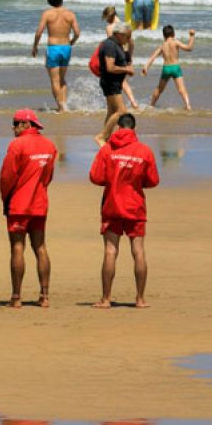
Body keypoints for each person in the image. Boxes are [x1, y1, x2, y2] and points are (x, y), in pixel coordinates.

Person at [89, 113, 159, 308]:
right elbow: (153, 180)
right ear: (134, 129)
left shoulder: (107, 150)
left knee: (110, 251)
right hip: (135, 207)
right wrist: (136, 182)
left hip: (112, 205)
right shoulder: (144, 151)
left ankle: (106, 298)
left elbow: (95, 177)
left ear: (119, 128)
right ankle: (140, 299)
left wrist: (111, 179)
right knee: (138, 251)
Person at [0, 109, 57, 308]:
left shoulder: (17, 145)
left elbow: (7, 177)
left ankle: (16, 297)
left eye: (16, 123)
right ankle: (45, 295)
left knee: (17, 247)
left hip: (18, 204)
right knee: (40, 247)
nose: (13, 127)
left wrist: (5, 199)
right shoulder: (49, 146)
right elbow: (48, 176)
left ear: (26, 124)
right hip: (39, 203)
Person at [30, 0, 81, 112]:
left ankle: (61, 107)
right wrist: (72, 42)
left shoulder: (47, 14)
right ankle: (64, 105)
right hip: (66, 48)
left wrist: (35, 46)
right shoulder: (70, 14)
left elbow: (38, 32)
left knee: (54, 80)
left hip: (53, 48)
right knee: (62, 79)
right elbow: (77, 32)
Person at [95, 21, 135, 146]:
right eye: (127, 36)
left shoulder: (118, 45)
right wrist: (126, 70)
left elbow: (126, 59)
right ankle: (101, 136)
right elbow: (110, 67)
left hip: (115, 83)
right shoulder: (110, 45)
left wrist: (130, 46)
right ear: (119, 34)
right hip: (110, 82)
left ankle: (106, 138)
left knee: (112, 111)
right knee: (121, 112)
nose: (128, 39)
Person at [143, 24, 197, 110]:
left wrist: (146, 67)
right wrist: (192, 36)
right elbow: (189, 48)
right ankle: (187, 105)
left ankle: (152, 105)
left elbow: (153, 57)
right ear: (173, 34)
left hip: (166, 69)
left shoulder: (162, 45)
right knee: (181, 89)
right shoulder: (176, 42)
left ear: (164, 35)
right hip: (175, 68)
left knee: (159, 89)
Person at [99, 7, 140, 110]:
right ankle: (132, 101)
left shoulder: (110, 27)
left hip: (117, 55)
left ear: (109, 16)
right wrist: (129, 58)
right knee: (122, 80)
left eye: (106, 18)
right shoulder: (125, 25)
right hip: (125, 53)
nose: (106, 21)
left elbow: (112, 44)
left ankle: (122, 104)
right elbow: (131, 43)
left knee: (120, 80)